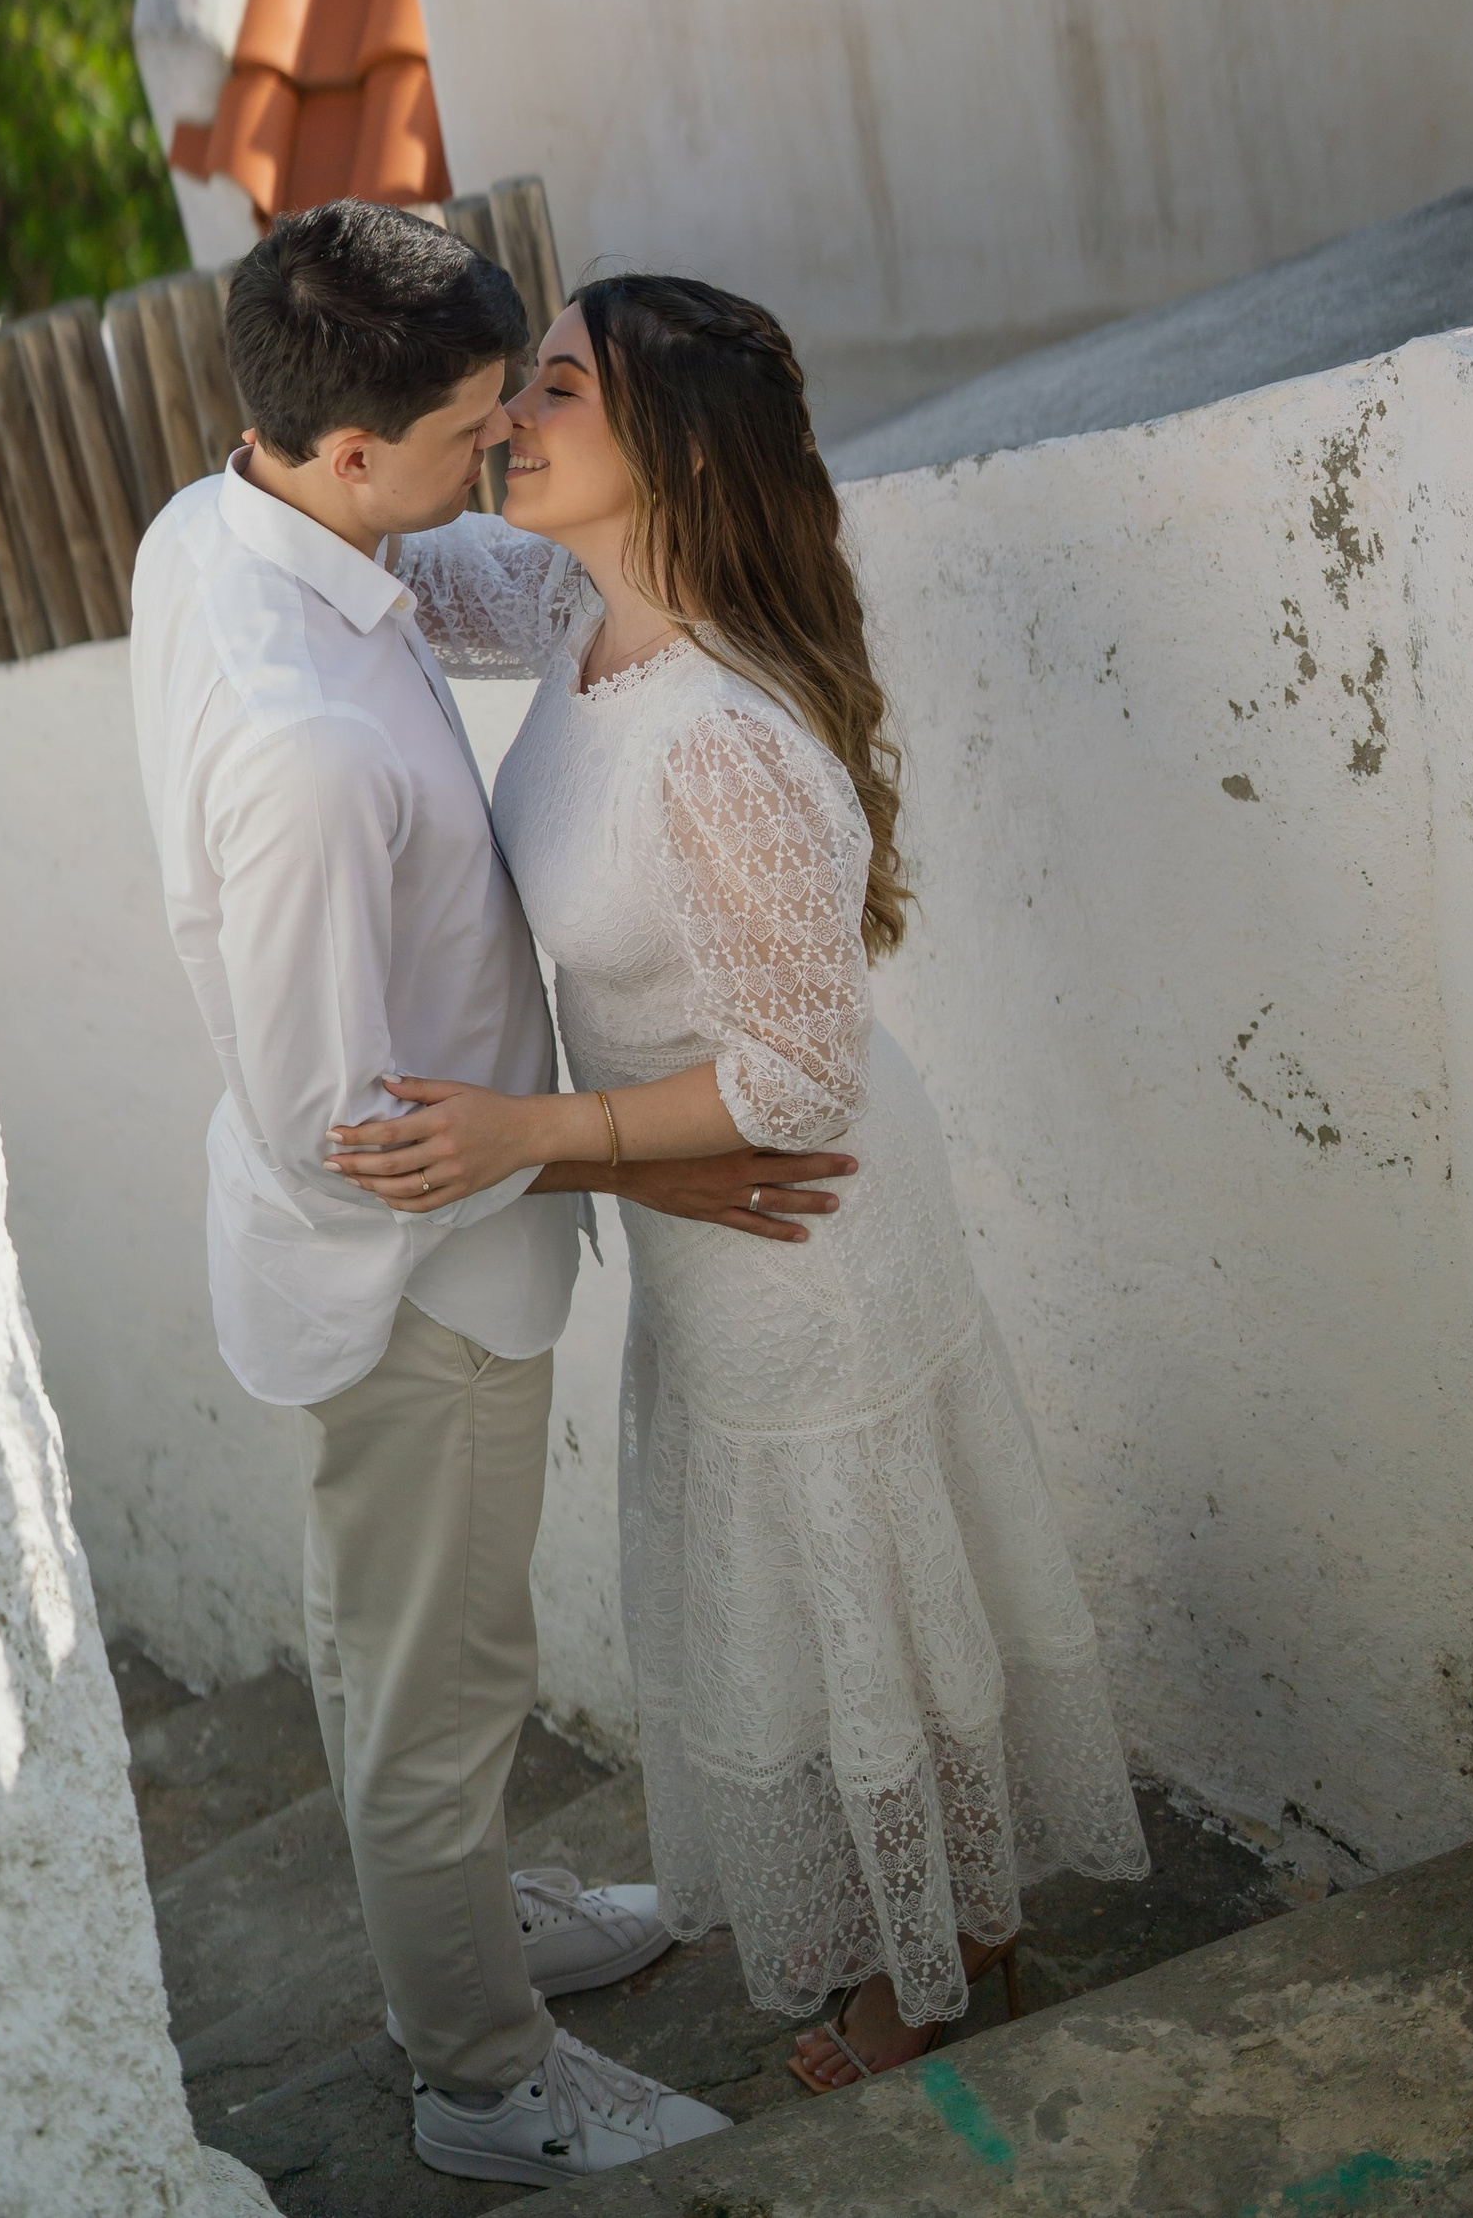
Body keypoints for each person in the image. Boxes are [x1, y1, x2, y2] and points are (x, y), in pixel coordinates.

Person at [328, 274, 1149, 2089]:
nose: (511, 424)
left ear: (670, 450)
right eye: (518, 390)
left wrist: (538, 1139)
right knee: (806, 1598)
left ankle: (950, 1968)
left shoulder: (717, 737)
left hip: (805, 1225)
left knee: (867, 1591)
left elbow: (795, 1071)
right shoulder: (569, 606)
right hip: (697, 1206)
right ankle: (941, 1934)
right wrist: (316, 440)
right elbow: (386, 564)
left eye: (552, 392)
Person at [127, 203, 860, 2183]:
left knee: (425, 1658)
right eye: (478, 419)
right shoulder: (296, 748)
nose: (502, 449)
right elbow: (320, 1120)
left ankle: (454, 1920)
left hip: (456, 1241)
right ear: (352, 452)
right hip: (416, 1283)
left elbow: (501, 572)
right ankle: (478, 2070)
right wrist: (541, 1153)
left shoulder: (227, 522)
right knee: (432, 1696)